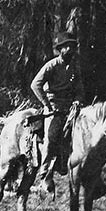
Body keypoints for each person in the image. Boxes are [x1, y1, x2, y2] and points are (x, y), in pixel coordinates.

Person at [30, 35, 80, 178]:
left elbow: (80, 88)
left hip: (69, 107)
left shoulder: (74, 68)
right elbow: (35, 84)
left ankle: (65, 165)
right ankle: (44, 170)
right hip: (53, 107)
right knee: (51, 137)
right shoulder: (52, 65)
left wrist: (77, 100)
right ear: (60, 50)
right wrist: (47, 105)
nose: (70, 50)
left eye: (72, 47)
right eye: (66, 47)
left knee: (73, 136)